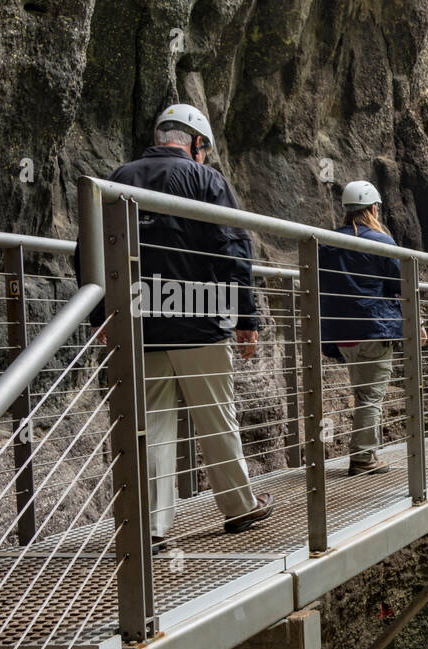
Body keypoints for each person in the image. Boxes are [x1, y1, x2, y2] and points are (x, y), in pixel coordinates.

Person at [84, 103, 273, 549]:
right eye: (203, 148)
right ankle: (239, 507)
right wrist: (246, 319)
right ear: (196, 143)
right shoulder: (207, 181)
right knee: (216, 418)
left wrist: (100, 315)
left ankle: (151, 528)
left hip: (139, 323)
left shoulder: (119, 178)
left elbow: (89, 248)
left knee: (151, 426)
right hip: (200, 321)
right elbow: (232, 248)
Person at [319, 181, 425, 476]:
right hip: (373, 329)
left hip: (341, 332)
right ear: (374, 209)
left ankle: (365, 452)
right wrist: (416, 322)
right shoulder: (381, 242)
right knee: (370, 396)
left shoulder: (327, 242)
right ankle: (364, 458)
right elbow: (401, 285)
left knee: (361, 391)